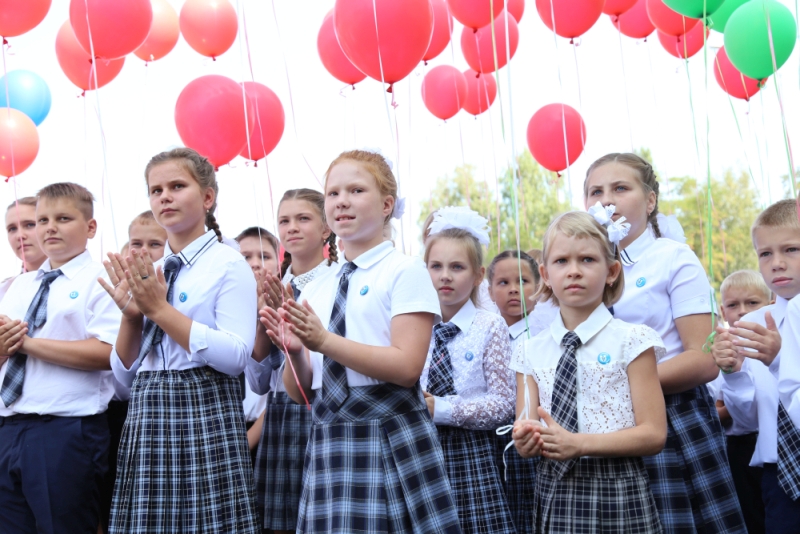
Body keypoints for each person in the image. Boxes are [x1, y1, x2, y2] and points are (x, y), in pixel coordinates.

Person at [261, 149, 462, 533]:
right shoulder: (318, 285)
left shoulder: (404, 271)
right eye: (333, 193)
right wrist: (297, 352)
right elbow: (301, 391)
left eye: (356, 190)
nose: (342, 202)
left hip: (388, 432)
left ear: (387, 205)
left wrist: (323, 340)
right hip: (329, 436)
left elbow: (406, 368)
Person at [584, 153, 746, 533]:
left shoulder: (673, 258)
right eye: (595, 191)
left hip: (674, 417)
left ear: (651, 200)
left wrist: (623, 381)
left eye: (620, 188)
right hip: (602, 421)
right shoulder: (583, 265)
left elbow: (703, 358)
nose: (606, 200)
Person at [102, 147, 259, 533]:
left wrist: (161, 311)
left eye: (177, 186)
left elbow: (237, 355)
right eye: (155, 190)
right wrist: (130, 318)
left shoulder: (228, 263)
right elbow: (124, 381)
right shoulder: (151, 270)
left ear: (208, 198)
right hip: (148, 411)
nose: (164, 197)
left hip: (203, 409)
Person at [512, 211, 666, 533]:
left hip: (618, 488)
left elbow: (654, 433)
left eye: (587, 260)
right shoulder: (528, 351)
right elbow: (526, 425)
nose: (574, 271)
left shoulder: (632, 340)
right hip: (555, 488)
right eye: (561, 261)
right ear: (545, 274)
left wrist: (580, 444)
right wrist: (525, 442)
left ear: (611, 271)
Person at [0, 183, 120, 534]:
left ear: (90, 227)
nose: (49, 227)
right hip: (9, 425)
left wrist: (27, 344)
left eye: (63, 218)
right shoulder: (19, 286)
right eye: (42, 220)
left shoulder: (102, 280)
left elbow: (108, 352)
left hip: (65, 428)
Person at [246, 189, 338, 534]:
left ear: (326, 228)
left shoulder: (339, 279)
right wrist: (260, 315)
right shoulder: (275, 284)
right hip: (283, 411)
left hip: (324, 407)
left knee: (325, 516)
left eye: (303, 218)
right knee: (279, 521)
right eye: (284, 220)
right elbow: (258, 378)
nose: (292, 228)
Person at [421, 208, 516, 534]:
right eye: (436, 266)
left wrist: (442, 408)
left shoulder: (490, 325)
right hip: (420, 448)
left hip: (470, 455)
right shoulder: (414, 325)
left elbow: (504, 403)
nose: (445, 275)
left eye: (457, 267)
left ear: (478, 275)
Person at [715, 200, 800, 534]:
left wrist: (781, 361)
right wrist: (733, 374)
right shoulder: (750, 325)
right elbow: (750, 420)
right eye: (765, 254)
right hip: (780, 476)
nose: (777, 264)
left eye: (791, 249)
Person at [98, 211, 169, 533]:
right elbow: (123, 378)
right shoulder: (113, 292)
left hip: (164, 411)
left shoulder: (174, 294)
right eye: (136, 243)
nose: (143, 251)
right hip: (122, 414)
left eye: (155, 244)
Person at [708, 270, 772, 534]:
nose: (743, 312)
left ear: (769, 304)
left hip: (772, 444)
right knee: (750, 516)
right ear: (723, 311)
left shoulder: (776, 347)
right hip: (740, 448)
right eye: (733, 305)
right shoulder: (720, 350)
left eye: (752, 303)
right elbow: (721, 406)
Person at [486, 249, 544, 533]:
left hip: (534, 440)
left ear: (539, 286)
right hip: (491, 442)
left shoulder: (545, 335)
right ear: (489, 290)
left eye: (523, 281)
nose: (513, 290)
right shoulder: (484, 332)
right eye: (503, 283)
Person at [1, 198, 47, 301]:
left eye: (30, 225)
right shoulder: (4, 291)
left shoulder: (84, 281)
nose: (20, 236)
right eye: (12, 229)